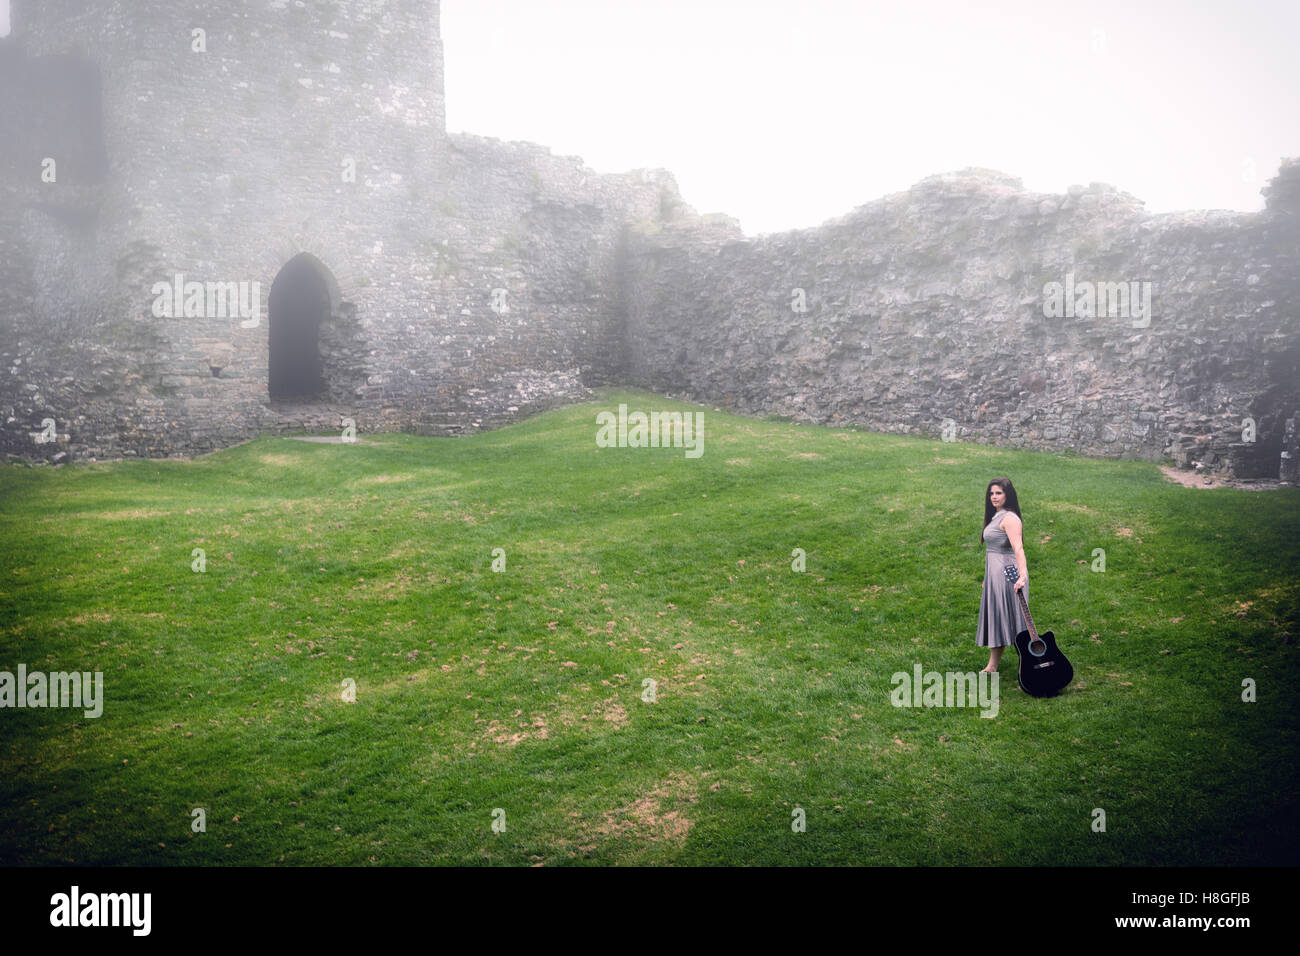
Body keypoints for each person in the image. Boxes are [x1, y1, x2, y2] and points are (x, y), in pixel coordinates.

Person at [976, 477, 1030, 673]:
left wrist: (1022, 577)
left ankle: (1029, 662)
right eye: (991, 493)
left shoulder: (1010, 519)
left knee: (1014, 619)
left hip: (1009, 575)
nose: (994, 497)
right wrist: (986, 579)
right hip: (994, 577)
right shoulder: (995, 516)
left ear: (1008, 494)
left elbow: (1019, 548)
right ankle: (992, 665)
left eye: (998, 493)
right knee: (996, 617)